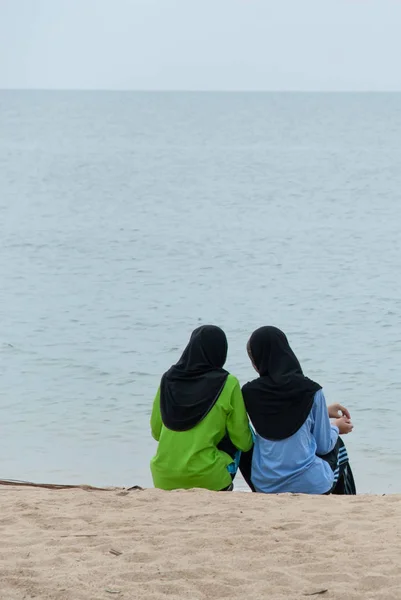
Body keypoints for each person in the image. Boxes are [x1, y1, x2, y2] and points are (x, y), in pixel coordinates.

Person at [242, 326, 356, 495]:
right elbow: (324, 446)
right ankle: (344, 503)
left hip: (265, 486)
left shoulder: (248, 393)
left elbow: (280, 416)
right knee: (337, 446)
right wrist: (336, 427)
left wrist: (322, 411)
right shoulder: (311, 390)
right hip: (311, 485)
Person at [150, 325, 253, 491]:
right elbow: (243, 442)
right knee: (246, 433)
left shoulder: (168, 379)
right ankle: (261, 487)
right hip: (209, 477)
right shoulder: (228, 382)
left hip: (163, 478)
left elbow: (156, 432)